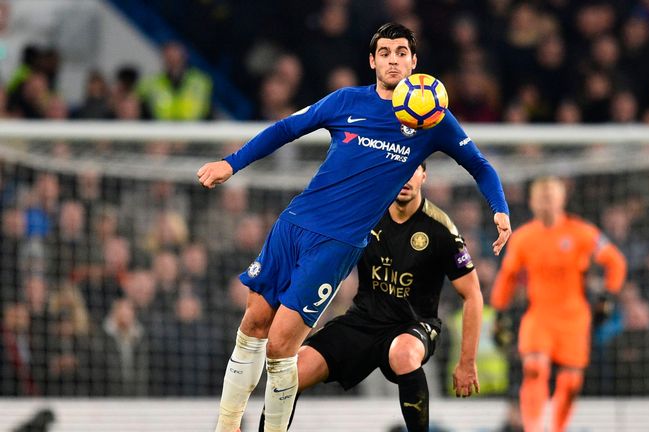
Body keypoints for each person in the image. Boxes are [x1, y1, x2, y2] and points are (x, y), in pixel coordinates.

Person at [196, 22, 511, 432]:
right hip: (294, 223)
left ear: (414, 62)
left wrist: (499, 208)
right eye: (385, 52)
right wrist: (230, 163)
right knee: (253, 322)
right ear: (372, 61)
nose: (393, 59)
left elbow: (481, 166)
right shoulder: (346, 101)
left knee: (279, 348)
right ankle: (226, 426)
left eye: (401, 52)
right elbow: (285, 129)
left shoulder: (433, 120)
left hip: (336, 245)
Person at [255, 163, 482, 432]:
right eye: (401, 169)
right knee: (290, 375)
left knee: (404, 354)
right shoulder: (365, 214)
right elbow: (327, 262)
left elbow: (472, 295)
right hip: (363, 321)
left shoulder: (441, 229)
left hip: (414, 325)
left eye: (413, 170)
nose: (406, 179)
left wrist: (467, 362)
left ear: (424, 175)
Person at [490, 177, 626, 432]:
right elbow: (507, 278)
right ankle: (533, 428)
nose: (546, 203)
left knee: (571, 383)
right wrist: (499, 313)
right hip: (539, 315)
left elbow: (616, 262)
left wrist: (608, 296)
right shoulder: (522, 238)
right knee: (533, 368)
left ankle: (557, 429)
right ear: (531, 202)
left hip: (574, 317)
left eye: (550, 197)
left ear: (562, 200)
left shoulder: (581, 232)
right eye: (541, 198)